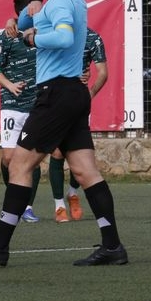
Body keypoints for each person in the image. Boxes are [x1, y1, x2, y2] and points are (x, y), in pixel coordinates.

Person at [0, 0, 128, 267]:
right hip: (73, 92)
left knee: (19, 166)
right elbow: (23, 27)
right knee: (85, 171)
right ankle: (113, 245)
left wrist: (34, 39)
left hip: (57, 93)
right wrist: (24, 15)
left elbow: (61, 37)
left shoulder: (59, 2)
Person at [0, 0, 44, 224]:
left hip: (38, 103)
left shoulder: (45, 34)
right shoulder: (6, 36)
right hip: (12, 104)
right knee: (8, 157)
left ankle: (27, 206)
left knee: (31, 158)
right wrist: (10, 85)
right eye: (36, 9)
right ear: (25, 13)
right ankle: (13, 195)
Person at [49, 27, 108, 223]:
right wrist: (11, 21)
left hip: (78, 101)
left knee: (80, 154)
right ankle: (58, 205)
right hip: (56, 99)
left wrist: (88, 95)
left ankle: (72, 193)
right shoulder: (52, 33)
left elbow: (103, 72)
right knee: (57, 152)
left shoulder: (92, 37)